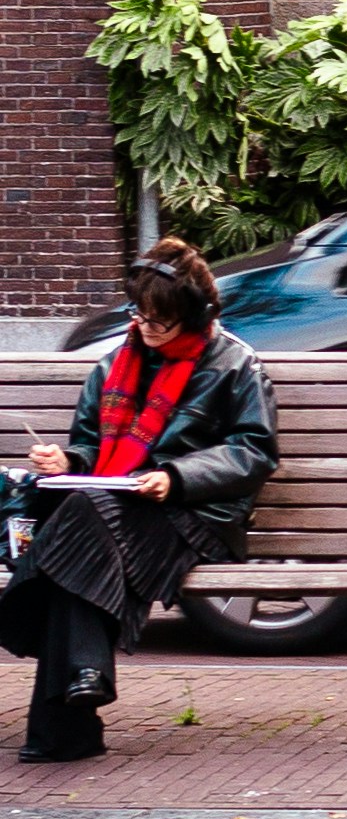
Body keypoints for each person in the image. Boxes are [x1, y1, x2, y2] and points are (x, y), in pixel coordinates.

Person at [1, 241, 274, 761]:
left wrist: (175, 476)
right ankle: (78, 697)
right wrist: (69, 464)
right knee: (82, 523)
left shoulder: (236, 365)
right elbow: (87, 443)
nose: (146, 328)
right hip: (111, 510)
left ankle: (74, 690)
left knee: (75, 529)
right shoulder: (113, 365)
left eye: (161, 320)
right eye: (140, 314)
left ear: (194, 315)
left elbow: (254, 451)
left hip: (192, 516)